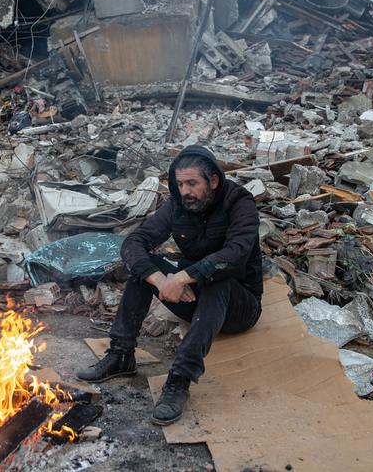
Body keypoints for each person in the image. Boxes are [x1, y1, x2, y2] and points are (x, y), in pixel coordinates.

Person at [77, 145, 263, 426]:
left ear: (212, 181)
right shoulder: (178, 204)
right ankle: (121, 355)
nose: (185, 190)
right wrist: (161, 278)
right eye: (179, 183)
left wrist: (183, 277)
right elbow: (134, 243)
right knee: (144, 268)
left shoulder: (239, 202)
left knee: (219, 279)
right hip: (194, 300)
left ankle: (180, 379)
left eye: (192, 183)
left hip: (240, 307)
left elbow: (235, 254)